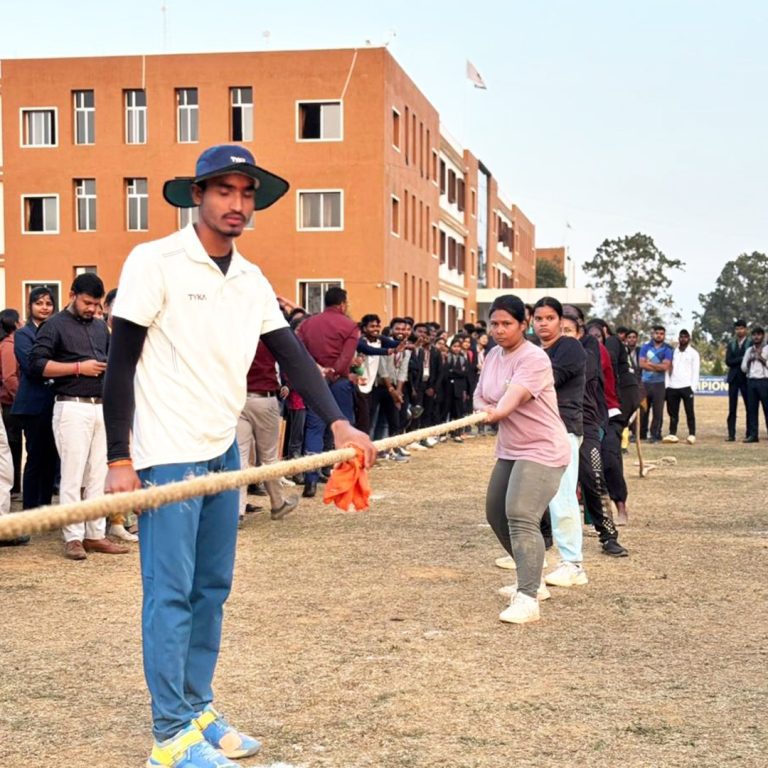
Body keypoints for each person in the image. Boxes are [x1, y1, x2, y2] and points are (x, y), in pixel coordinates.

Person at [102, 144, 376, 768]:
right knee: (169, 594)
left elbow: (292, 354)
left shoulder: (250, 277)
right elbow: (120, 366)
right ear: (197, 196)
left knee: (212, 589)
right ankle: (170, 736)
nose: (237, 204)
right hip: (167, 451)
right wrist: (120, 457)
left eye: (247, 193)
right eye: (223, 191)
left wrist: (336, 422)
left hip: (224, 449)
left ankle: (198, 708)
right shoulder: (156, 261)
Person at [474, 295, 570, 625]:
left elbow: (510, 399)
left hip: (542, 448)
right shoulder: (492, 356)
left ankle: (528, 597)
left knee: (520, 513)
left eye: (507, 324)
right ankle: (534, 576)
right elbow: (479, 395)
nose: (499, 331)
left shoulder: (535, 359)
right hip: (512, 448)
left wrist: (496, 410)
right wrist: (486, 408)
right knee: (495, 512)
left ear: (523, 324)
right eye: (494, 324)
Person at [30, 273, 129, 561]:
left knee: (99, 474)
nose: (92, 309)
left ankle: (95, 534)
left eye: (96, 305)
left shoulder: (101, 328)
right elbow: (37, 366)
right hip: (71, 406)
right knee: (73, 476)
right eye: (87, 303)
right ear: (72, 294)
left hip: (102, 407)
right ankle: (73, 537)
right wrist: (78, 368)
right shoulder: (54, 326)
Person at [532, 298, 588, 590]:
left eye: (549, 318)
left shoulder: (569, 347)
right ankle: (531, 558)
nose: (543, 323)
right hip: (534, 432)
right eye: (538, 318)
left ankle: (573, 564)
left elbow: (548, 380)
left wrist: (515, 385)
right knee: (530, 498)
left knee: (562, 496)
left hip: (562, 428)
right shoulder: (532, 350)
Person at [296, 287, 360, 498]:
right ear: (343, 303)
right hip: (339, 382)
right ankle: (345, 478)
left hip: (315, 380)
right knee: (343, 428)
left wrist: (319, 370)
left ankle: (311, 479)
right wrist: (335, 371)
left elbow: (301, 351)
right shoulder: (349, 325)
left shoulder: (308, 324)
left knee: (314, 429)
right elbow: (347, 355)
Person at [237, 342, 298, 522]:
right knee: (269, 457)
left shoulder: (234, 332)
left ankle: (237, 512)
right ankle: (278, 504)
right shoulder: (267, 337)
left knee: (240, 457)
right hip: (265, 397)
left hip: (239, 398)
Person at [11, 286, 58, 517]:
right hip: (32, 404)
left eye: (48, 303)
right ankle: (29, 509)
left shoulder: (57, 330)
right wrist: (55, 369)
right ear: (30, 306)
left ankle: (46, 507)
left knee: (52, 457)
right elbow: (31, 366)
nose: (44, 307)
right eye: (39, 303)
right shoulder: (22, 334)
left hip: (55, 403)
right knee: (35, 456)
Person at [663, 330, 700, 445]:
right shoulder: (673, 352)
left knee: (689, 411)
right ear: (678, 338)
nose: (683, 339)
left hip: (686, 386)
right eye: (681, 337)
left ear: (689, 338)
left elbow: (695, 371)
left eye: (685, 337)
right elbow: (668, 369)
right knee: (673, 413)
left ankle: (692, 434)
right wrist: (667, 385)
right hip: (673, 386)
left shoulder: (693, 353)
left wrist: (692, 388)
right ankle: (672, 434)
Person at [0, 309, 23, 498]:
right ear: (15, 323)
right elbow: (9, 377)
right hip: (9, 404)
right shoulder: (9, 345)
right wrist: (20, 398)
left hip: (10, 402)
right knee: (12, 446)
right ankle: (14, 488)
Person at [639, 325, 674, 442]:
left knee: (657, 411)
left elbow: (665, 366)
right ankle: (641, 434)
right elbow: (641, 364)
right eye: (657, 333)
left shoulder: (667, 349)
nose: (659, 335)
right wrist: (657, 366)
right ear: (653, 334)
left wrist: (650, 364)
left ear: (664, 335)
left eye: (661, 333)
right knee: (643, 410)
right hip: (645, 383)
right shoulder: (645, 347)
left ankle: (655, 435)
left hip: (659, 384)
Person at [741, 326, 768, 443]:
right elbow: (743, 368)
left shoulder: (767, 349)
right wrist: (749, 360)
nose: (756, 337)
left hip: (764, 381)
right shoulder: (749, 350)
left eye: (758, 334)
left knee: (767, 409)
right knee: (752, 409)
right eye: (754, 335)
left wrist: (760, 358)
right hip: (751, 381)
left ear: (763, 336)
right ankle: (753, 435)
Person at [725, 318, 750, 441]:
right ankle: (731, 434)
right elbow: (728, 361)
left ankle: (750, 433)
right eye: (737, 329)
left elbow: (749, 359)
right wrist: (742, 358)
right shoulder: (732, 343)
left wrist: (739, 360)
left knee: (749, 407)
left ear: (745, 329)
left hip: (746, 378)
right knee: (732, 408)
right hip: (733, 378)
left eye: (741, 328)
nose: (739, 331)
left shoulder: (750, 343)